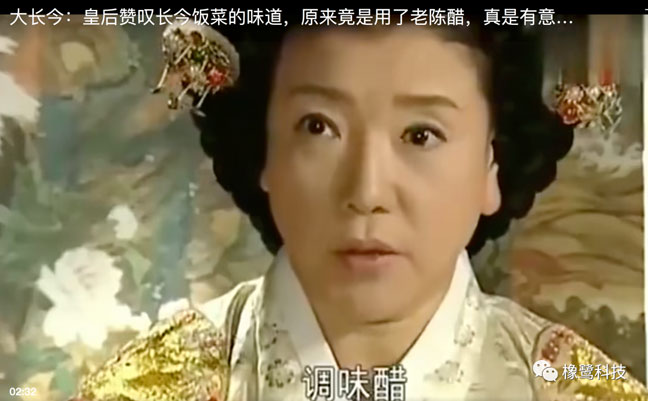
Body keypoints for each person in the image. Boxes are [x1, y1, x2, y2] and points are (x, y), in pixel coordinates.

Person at [73, 20, 648, 401]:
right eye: (319, 127)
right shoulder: (145, 388)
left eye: (421, 135)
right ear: (264, 149)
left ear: (492, 164)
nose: (368, 190)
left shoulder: (574, 387)